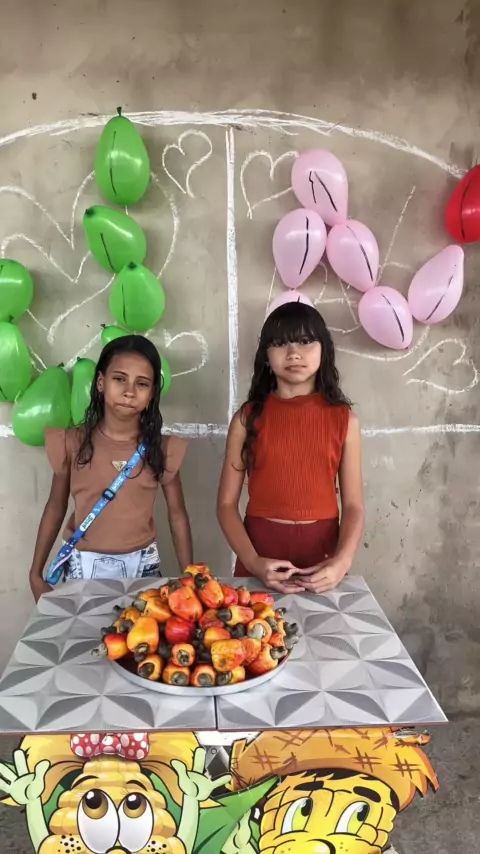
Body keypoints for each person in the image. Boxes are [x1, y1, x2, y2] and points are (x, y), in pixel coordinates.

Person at [29, 335, 192, 601]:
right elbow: (55, 507)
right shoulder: (71, 443)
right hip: (81, 567)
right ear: (101, 382)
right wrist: (35, 574)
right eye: (119, 379)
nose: (129, 391)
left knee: (141, 629)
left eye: (142, 384)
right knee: (85, 629)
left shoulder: (162, 449)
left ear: (152, 394)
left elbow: (178, 515)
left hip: (143, 567)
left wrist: (190, 575)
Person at [217, 301, 364, 595]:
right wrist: (254, 562)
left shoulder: (345, 420)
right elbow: (225, 505)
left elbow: (353, 506)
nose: (293, 352)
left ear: (324, 350)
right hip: (260, 554)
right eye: (280, 343)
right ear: (266, 355)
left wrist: (342, 562)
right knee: (255, 625)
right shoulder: (246, 419)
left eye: (306, 341)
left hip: (323, 558)